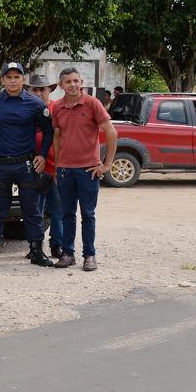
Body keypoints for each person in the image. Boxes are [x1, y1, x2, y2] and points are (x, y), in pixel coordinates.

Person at [0, 62, 54, 268]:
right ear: (3, 80)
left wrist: (42, 155)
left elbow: (48, 130)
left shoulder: (35, 104)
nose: (12, 80)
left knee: (31, 210)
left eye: (16, 77)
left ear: (23, 79)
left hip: (26, 166)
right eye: (8, 77)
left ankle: (36, 251)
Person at [50, 67, 117, 271]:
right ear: (61, 85)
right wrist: (57, 166)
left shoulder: (92, 103)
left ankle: (89, 255)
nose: (72, 85)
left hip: (88, 169)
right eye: (68, 82)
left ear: (81, 82)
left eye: (76, 81)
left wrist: (106, 164)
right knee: (67, 214)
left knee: (88, 214)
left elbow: (111, 132)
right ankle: (68, 254)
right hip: (65, 170)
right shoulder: (58, 108)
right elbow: (57, 136)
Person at [27, 74, 64, 259]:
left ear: (50, 90)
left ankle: (57, 245)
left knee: (58, 211)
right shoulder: (26, 110)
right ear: (29, 90)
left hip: (56, 168)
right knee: (35, 212)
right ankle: (35, 246)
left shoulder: (57, 110)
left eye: (43, 89)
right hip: (34, 170)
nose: (39, 93)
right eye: (35, 89)